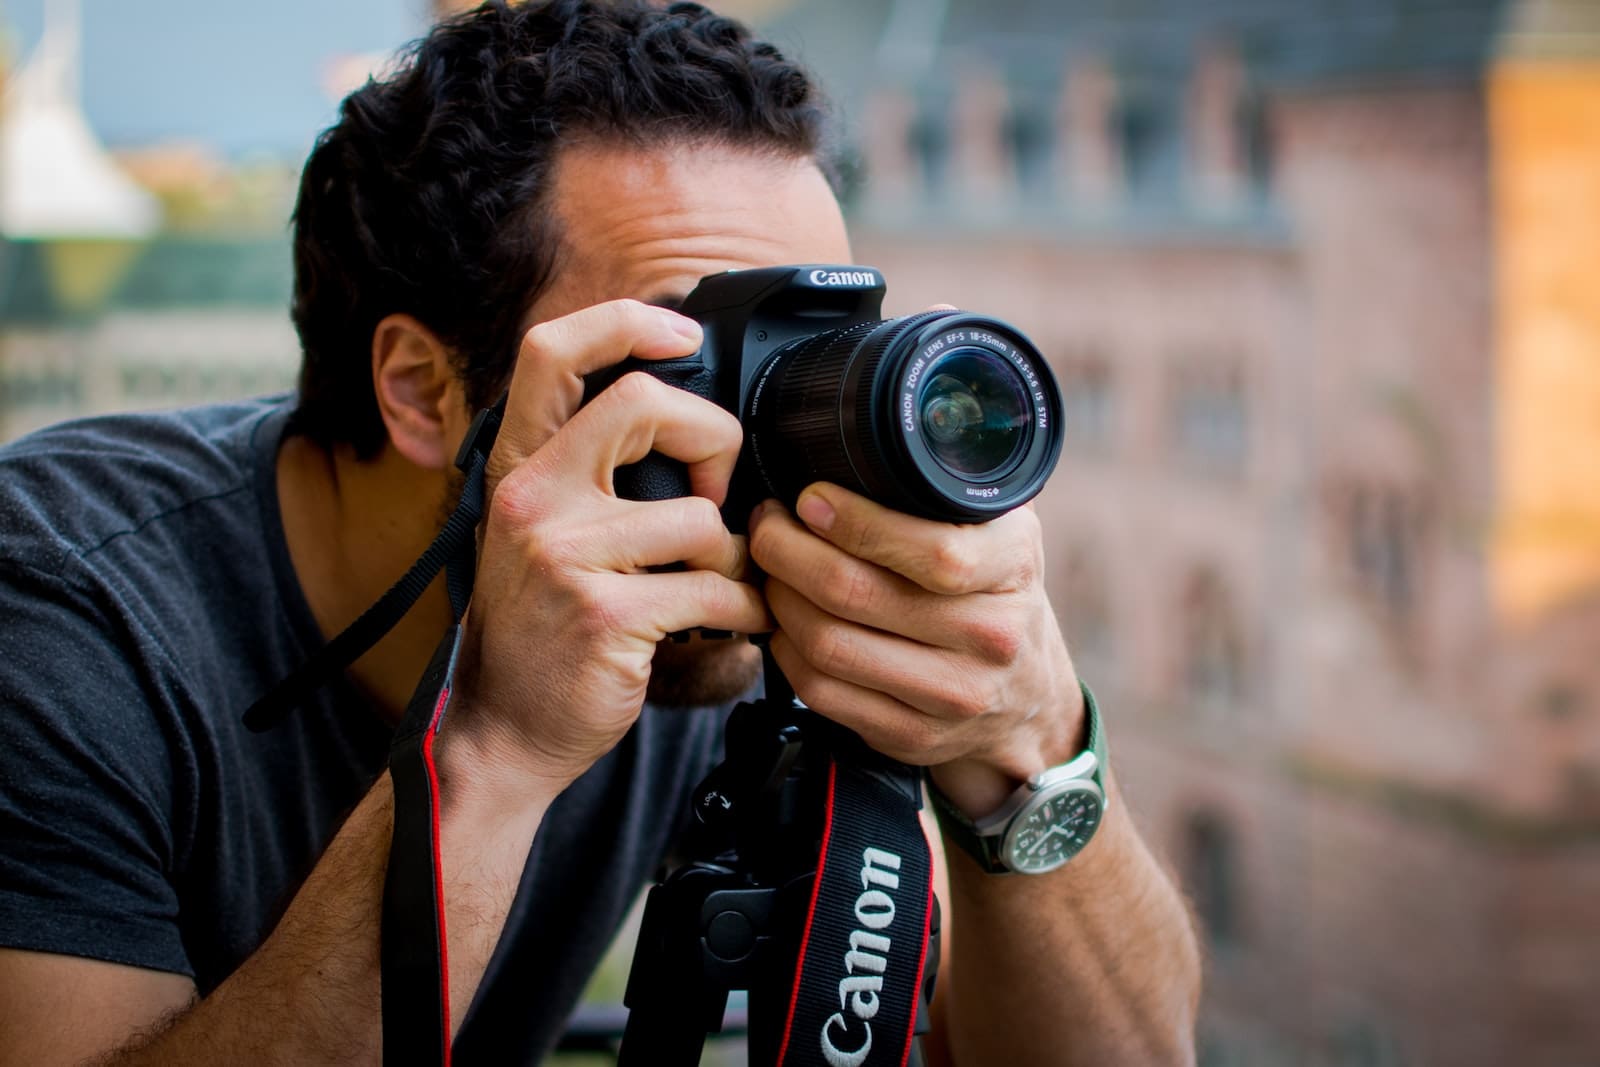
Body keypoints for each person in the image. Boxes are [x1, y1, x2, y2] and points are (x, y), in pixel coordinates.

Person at [0, 1, 1200, 1062]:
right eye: (694, 359)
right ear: (422, 390)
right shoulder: (62, 605)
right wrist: (497, 741)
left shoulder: (734, 615)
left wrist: (1027, 746)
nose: (768, 437)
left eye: (809, 349)